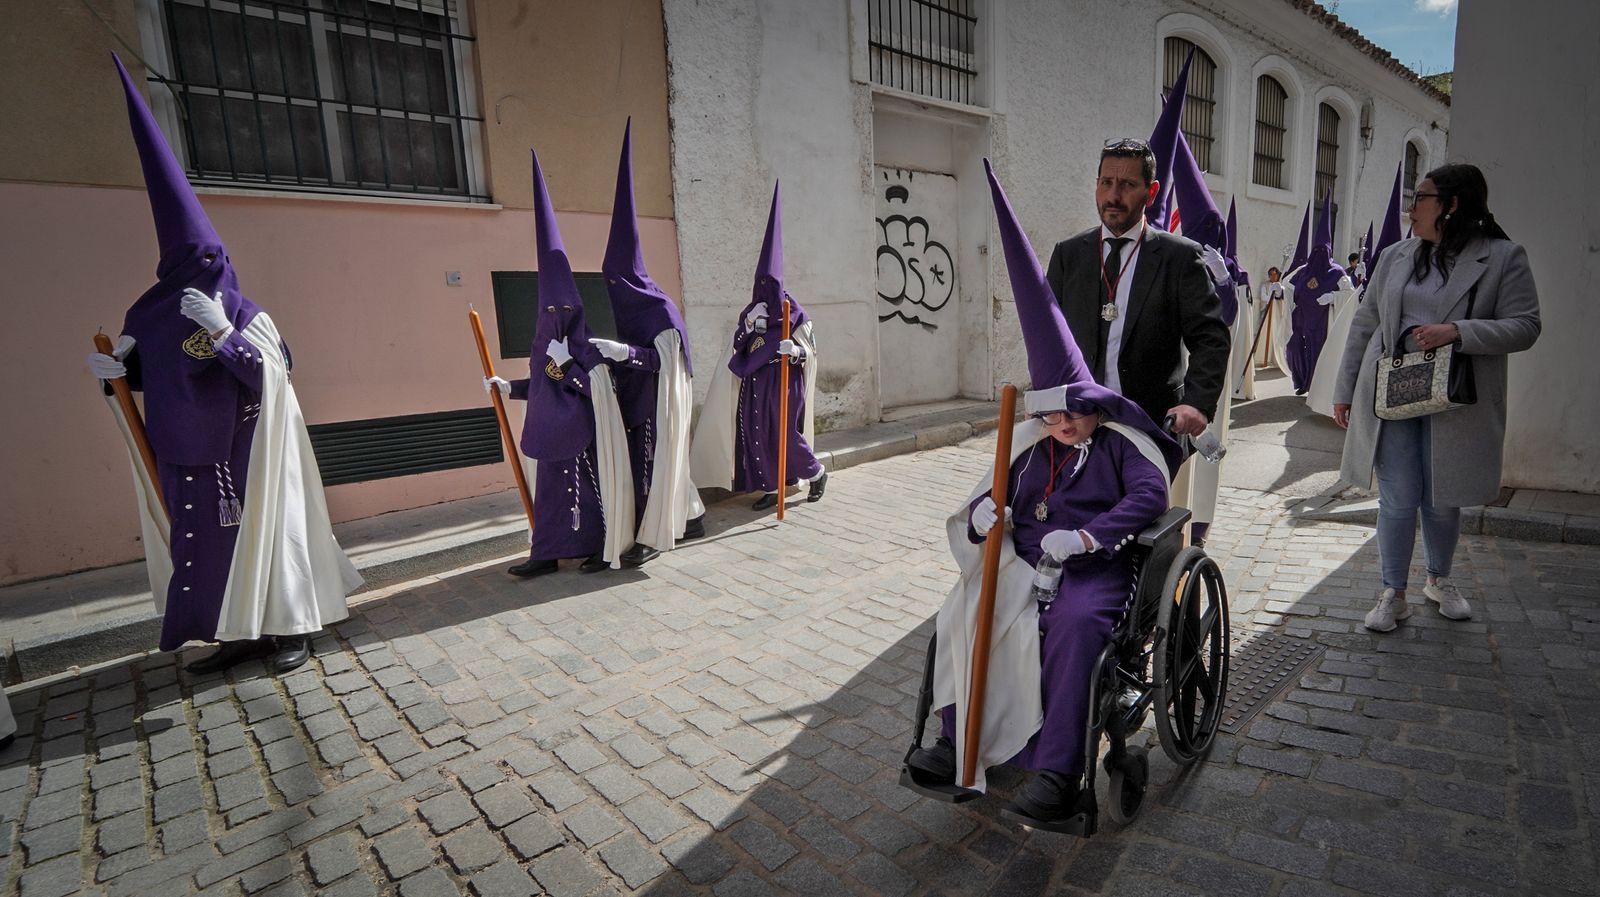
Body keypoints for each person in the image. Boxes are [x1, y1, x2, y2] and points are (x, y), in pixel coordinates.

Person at [906, 160, 1182, 825]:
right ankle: (954, 742)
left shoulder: (1121, 445)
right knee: (965, 608)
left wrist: (1087, 535)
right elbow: (984, 503)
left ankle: (1058, 771)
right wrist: (982, 514)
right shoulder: (1030, 444)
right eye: (1052, 415)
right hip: (1022, 560)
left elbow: (1149, 498)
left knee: (1075, 626)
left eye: (1074, 413)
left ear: (1093, 404)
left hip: (1092, 566)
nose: (1062, 425)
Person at [88, 56, 358, 676]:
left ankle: (290, 627)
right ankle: (234, 634)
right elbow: (144, 380)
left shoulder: (247, 313)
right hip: (187, 455)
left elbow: (277, 373)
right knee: (209, 553)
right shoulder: (152, 317)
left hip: (249, 457)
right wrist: (115, 379)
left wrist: (225, 333)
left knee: (269, 542)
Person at [1331, 163, 1541, 630]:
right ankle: (1393, 592)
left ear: (1452, 204)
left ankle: (1439, 579)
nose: (1411, 209)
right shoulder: (1396, 255)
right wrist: (1344, 390)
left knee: (1444, 495)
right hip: (1393, 389)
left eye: (1421, 198)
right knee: (1397, 496)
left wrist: (1458, 332)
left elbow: (1526, 326)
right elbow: (1365, 325)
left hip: (1456, 397)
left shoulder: (1503, 257)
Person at [1043, 137, 1230, 542]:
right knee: (1074, 528)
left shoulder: (1181, 257)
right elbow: (1046, 337)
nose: (1114, 195)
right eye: (1106, 182)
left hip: (1152, 427)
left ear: (1151, 191)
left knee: (1145, 540)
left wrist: (1196, 403)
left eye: (1127, 185)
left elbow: (1210, 338)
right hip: (1079, 425)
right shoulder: (1068, 255)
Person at [486, 152, 634, 577]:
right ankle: (546, 553)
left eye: (562, 309)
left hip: (582, 434)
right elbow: (537, 383)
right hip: (546, 429)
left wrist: (570, 365)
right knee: (550, 496)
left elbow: (600, 390)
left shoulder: (587, 346)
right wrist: (506, 387)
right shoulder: (541, 343)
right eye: (548, 309)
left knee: (586, 494)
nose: (555, 315)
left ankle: (594, 547)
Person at [593, 122, 705, 566]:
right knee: (663, 467)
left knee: (658, 464)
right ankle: (690, 516)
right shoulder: (633, 310)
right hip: (638, 400)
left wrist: (625, 354)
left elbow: (664, 363)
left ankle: (654, 535)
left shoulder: (660, 312)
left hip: (660, 404)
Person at [690, 184, 827, 510]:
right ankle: (771, 485)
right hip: (756, 382)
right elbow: (737, 348)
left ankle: (816, 472)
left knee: (784, 434)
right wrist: (748, 327)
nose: (764, 290)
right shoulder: (753, 311)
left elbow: (811, 351)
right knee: (758, 434)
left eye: (771, 285)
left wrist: (794, 351)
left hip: (785, 380)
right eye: (760, 285)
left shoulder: (795, 313)